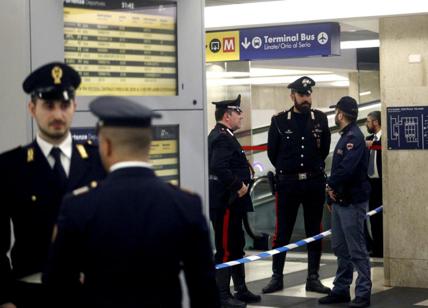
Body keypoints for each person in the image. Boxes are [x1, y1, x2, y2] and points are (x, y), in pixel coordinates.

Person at [43, 96, 220, 308]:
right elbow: (205, 291)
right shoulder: (185, 204)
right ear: (149, 145)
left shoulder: (79, 206)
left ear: (106, 145)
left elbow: (57, 286)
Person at [0, 62, 106, 308]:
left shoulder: (99, 161)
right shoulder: (10, 167)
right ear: (32, 108)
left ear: (74, 107)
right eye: (48, 106)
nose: (57, 115)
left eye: (64, 105)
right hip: (32, 295)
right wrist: (4, 299)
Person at [262, 76, 331, 294]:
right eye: (302, 95)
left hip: (313, 183)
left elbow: (324, 150)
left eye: (308, 95)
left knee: (314, 230)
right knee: (282, 231)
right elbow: (272, 153)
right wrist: (290, 170)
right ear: (293, 96)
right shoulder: (280, 121)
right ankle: (277, 276)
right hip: (288, 184)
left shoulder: (320, 119)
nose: (306, 99)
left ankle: (313, 277)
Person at [319, 96, 372, 308]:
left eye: (336, 112)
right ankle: (341, 289)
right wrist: (332, 191)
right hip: (340, 202)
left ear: (341, 114)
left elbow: (346, 170)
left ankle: (363, 293)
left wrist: (330, 185)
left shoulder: (354, 138)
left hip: (352, 202)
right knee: (341, 248)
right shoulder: (345, 136)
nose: (335, 115)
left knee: (356, 249)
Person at [208, 95, 261, 308]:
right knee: (226, 249)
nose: (242, 116)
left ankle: (240, 289)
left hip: (233, 203)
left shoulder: (226, 135)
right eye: (238, 112)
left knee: (236, 246)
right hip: (226, 202)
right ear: (227, 115)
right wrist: (238, 185)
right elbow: (218, 167)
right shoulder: (221, 136)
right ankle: (221, 294)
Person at [365, 111, 383, 257]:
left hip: (384, 184)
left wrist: (374, 145)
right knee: (373, 218)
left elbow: (383, 147)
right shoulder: (368, 139)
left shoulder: (384, 139)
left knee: (383, 218)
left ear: (375, 122)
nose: (366, 124)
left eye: (368, 121)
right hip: (371, 184)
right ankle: (377, 248)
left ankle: (384, 247)